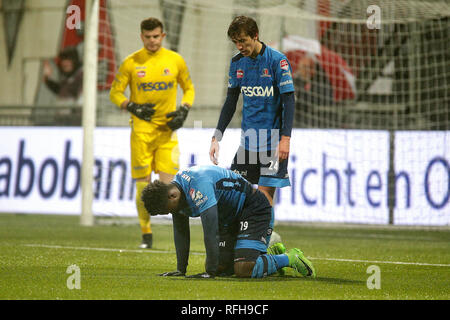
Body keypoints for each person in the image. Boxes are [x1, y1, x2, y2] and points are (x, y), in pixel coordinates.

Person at [141, 165, 316, 279]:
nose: (171, 213)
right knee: (222, 269)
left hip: (253, 208)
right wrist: (181, 269)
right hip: (229, 219)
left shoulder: (198, 186)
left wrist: (209, 272)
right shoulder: (174, 192)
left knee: (243, 268)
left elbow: (210, 231)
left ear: (172, 196)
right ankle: (267, 251)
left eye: (167, 210)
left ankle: (289, 258)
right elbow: (180, 230)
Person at [110, 17, 195, 249]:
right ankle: (146, 234)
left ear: (163, 36)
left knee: (172, 188)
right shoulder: (131, 63)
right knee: (143, 187)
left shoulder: (175, 60)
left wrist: (184, 110)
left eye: (156, 36)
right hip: (141, 132)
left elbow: (188, 88)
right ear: (141, 37)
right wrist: (131, 106)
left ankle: (180, 234)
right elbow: (115, 92)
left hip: (167, 132)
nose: (152, 41)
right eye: (147, 37)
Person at [209, 16, 295, 240]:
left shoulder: (277, 61)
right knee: (237, 193)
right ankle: (239, 241)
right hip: (247, 144)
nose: (240, 46)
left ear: (255, 36)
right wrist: (217, 136)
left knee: (265, 196)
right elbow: (230, 102)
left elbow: (289, 101)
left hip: (273, 142)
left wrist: (285, 138)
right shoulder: (238, 62)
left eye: (243, 40)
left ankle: (263, 242)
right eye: (236, 42)